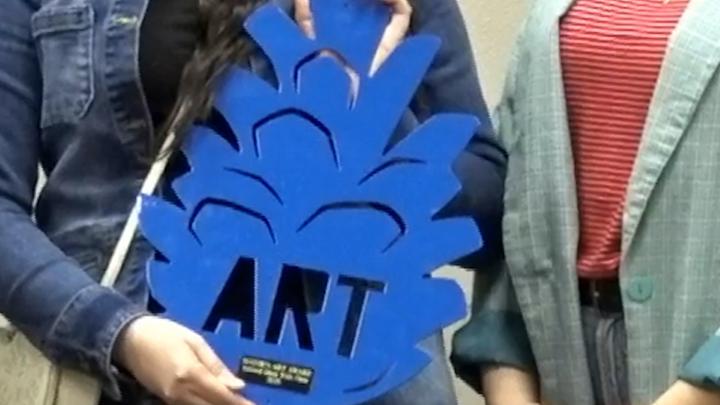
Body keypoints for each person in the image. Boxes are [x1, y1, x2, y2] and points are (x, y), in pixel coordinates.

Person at [0, 0, 507, 404]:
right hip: (116, 372)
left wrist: (360, 105)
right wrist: (120, 332)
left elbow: (486, 203)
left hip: (352, 372)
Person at [452, 0, 720, 404]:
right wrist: (508, 382)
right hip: (565, 352)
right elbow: (518, 189)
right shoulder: (549, 16)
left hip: (698, 360)